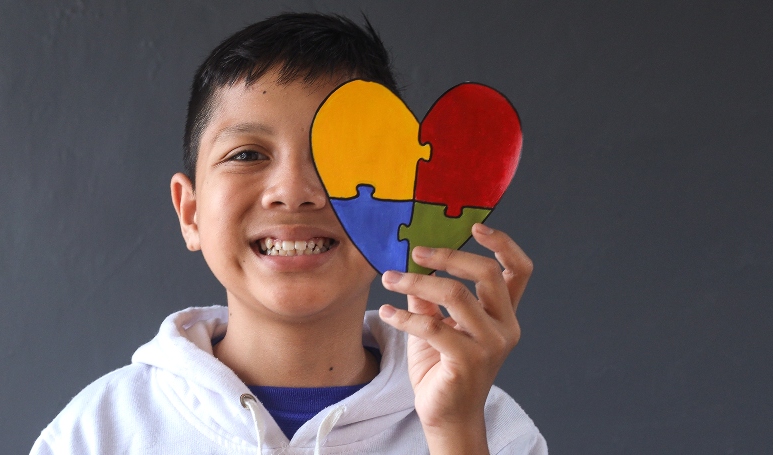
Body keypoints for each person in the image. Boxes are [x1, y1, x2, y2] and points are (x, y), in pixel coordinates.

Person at [31, 12, 546, 454]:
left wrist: (455, 432)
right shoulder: (96, 432)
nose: (294, 191)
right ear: (190, 214)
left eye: (337, 159)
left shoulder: (491, 430)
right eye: (247, 155)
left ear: (403, 205)